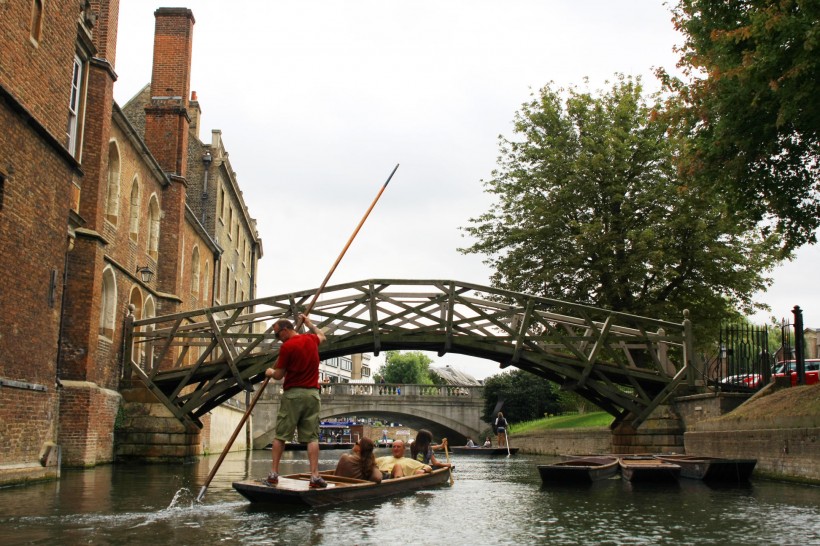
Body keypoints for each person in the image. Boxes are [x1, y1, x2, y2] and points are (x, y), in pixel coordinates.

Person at [264, 314, 328, 489]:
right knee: (312, 437)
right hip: (313, 395)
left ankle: (273, 474)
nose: (278, 339)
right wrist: (310, 323)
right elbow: (323, 335)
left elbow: (278, 375)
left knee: (281, 435)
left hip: (293, 395)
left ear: (285, 331)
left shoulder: (287, 347)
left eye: (277, 335)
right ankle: (315, 476)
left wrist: (269, 371)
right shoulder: (311, 339)